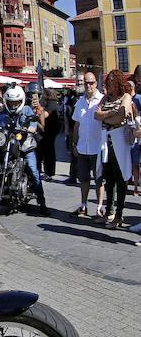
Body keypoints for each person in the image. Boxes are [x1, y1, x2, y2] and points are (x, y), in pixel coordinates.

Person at [0, 86, 48, 215]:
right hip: (8, 144)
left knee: (33, 169)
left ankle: (42, 201)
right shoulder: (5, 110)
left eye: (16, 102)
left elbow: (33, 119)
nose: (13, 105)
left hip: (25, 145)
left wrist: (32, 127)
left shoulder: (27, 109)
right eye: (11, 102)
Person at [94, 70, 134, 228]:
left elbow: (121, 116)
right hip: (106, 141)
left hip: (119, 141)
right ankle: (109, 212)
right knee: (108, 178)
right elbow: (96, 115)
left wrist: (106, 115)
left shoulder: (126, 97)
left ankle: (119, 215)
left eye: (112, 81)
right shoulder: (105, 98)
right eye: (107, 81)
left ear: (118, 82)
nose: (109, 84)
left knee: (120, 178)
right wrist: (110, 113)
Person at [71, 73, 105, 218]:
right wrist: (73, 143)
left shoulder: (102, 100)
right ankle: (83, 205)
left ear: (96, 83)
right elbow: (76, 124)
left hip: (97, 147)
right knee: (83, 179)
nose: (88, 86)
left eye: (91, 83)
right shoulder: (80, 102)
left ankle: (99, 207)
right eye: (86, 83)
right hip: (82, 147)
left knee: (99, 180)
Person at [38, 87, 60, 180]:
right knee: (48, 151)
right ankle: (48, 171)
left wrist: (39, 109)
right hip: (51, 130)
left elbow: (45, 114)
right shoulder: (54, 103)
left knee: (48, 152)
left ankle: (49, 172)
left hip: (49, 130)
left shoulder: (52, 104)